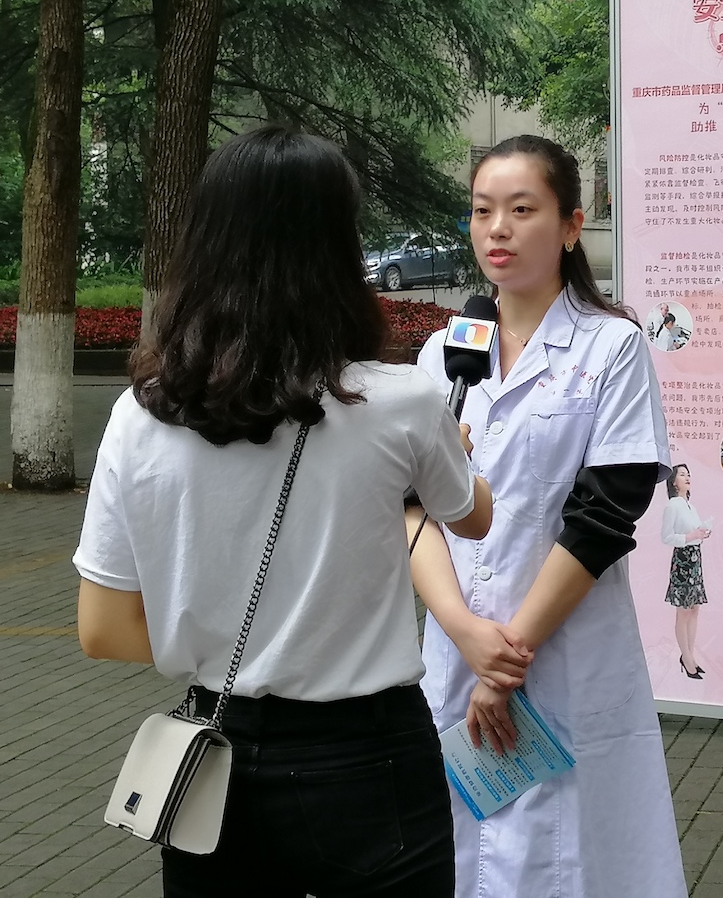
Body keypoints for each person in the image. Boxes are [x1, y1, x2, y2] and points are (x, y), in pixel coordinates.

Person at [74, 126, 493, 897]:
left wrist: (221, 645)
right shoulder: (402, 402)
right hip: (368, 761)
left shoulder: (141, 415)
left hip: (213, 763)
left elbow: (102, 630)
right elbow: (472, 518)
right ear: (336, 248)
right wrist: (452, 449)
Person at [407, 134, 687, 897]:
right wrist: (465, 632)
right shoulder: (441, 356)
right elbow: (410, 506)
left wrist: (509, 658)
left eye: (522, 209)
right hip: (456, 648)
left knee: (573, 860)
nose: (497, 229)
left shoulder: (611, 346)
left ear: (570, 226)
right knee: (457, 856)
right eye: (481, 211)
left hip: (564, 656)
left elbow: (606, 514)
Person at [662, 464, 710, 679]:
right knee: (683, 612)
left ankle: (689, 655)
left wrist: (702, 533)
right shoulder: (672, 506)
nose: (687, 477)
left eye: (688, 474)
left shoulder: (690, 505)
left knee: (694, 609)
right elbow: (666, 537)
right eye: (682, 475)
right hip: (683, 561)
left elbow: (694, 530)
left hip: (695, 559)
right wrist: (690, 537)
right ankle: (687, 658)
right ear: (674, 482)